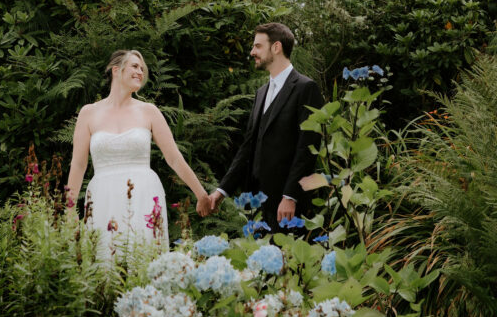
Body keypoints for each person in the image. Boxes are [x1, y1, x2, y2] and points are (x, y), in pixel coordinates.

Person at [66, 49, 211, 261]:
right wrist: (69, 210)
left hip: (143, 195)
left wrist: (201, 194)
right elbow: (78, 165)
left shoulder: (149, 111)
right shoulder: (89, 113)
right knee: (104, 261)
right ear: (116, 70)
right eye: (135, 66)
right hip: (102, 198)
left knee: (143, 258)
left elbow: (173, 158)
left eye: (142, 69)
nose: (140, 72)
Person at [207, 22, 323, 232]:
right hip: (257, 204)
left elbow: (307, 149)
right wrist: (222, 190)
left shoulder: (306, 88)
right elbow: (248, 147)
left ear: (276, 47)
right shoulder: (261, 93)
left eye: (258, 46)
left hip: (287, 208)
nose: (252, 52)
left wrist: (290, 196)